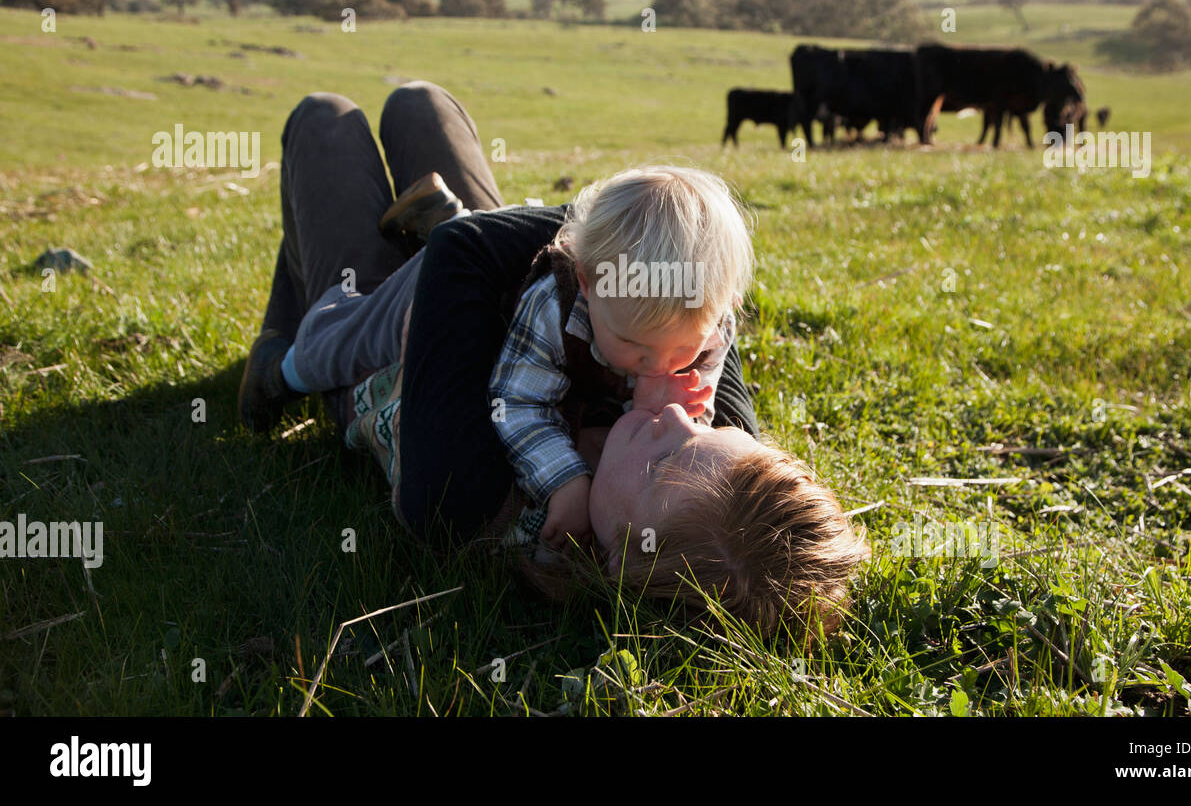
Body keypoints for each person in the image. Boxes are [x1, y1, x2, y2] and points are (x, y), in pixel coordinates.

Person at [238, 81, 863, 635]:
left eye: (669, 456)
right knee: (419, 103)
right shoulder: (709, 499)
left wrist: (601, 242)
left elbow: (462, 253)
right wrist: (649, 246)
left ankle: (280, 359)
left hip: (391, 323)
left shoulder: (460, 500)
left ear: (615, 557)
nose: (681, 414)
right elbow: (698, 315)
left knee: (326, 118)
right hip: (524, 284)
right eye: (712, 433)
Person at [487, 164, 753, 552]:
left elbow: (694, 425)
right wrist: (565, 479)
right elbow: (516, 402)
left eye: (683, 349)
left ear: (726, 307)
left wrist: (654, 412)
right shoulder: (553, 304)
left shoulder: (714, 325)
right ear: (586, 283)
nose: (660, 365)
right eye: (632, 342)